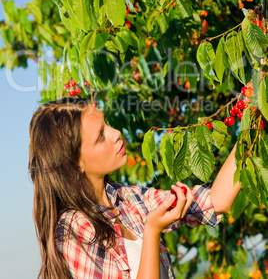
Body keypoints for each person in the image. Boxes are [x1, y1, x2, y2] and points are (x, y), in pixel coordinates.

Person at [29, 97, 241, 279]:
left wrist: (253, 124)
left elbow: (215, 200)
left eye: (107, 124)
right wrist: (152, 231)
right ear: (76, 164)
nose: (116, 133)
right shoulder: (73, 231)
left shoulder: (129, 199)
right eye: (101, 136)